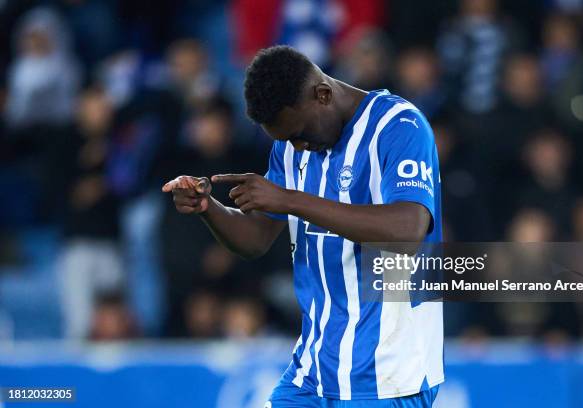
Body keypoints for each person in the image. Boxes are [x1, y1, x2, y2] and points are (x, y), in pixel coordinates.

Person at [162, 46, 443, 407]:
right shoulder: (292, 147)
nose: (298, 145)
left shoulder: (399, 126)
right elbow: (256, 238)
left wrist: (290, 199)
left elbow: (408, 229)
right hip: (312, 371)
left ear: (322, 94)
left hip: (389, 375)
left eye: (299, 133)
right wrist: (209, 208)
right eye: (286, 140)